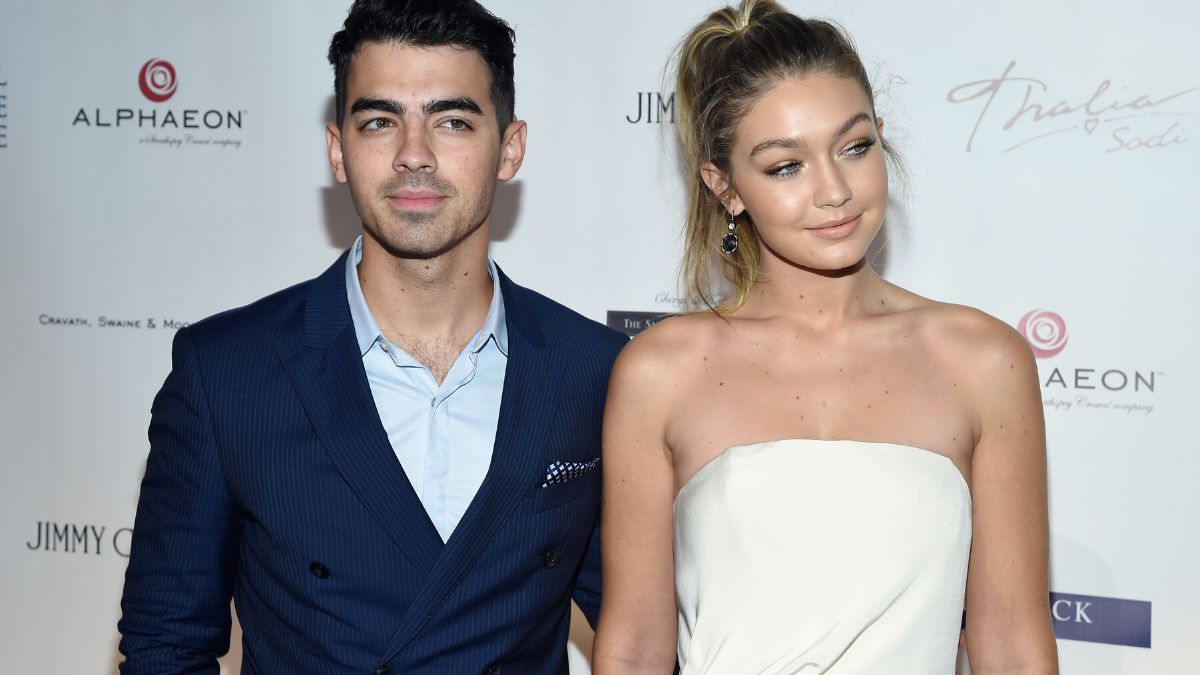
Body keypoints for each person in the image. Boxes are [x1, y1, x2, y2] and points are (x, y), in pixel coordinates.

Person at [117, 1, 626, 672]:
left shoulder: (595, 370)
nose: (414, 155)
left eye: (451, 121)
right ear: (338, 150)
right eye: (381, 121)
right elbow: (166, 645)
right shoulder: (226, 375)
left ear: (510, 148)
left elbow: (646, 629)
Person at [592, 1, 1059, 673]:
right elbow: (635, 646)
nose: (835, 190)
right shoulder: (660, 371)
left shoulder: (984, 360)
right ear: (725, 187)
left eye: (854, 146)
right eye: (787, 166)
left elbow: (1013, 640)